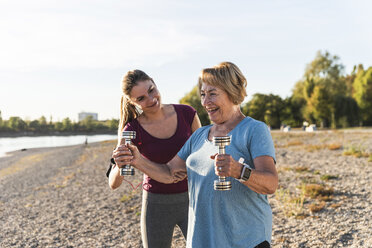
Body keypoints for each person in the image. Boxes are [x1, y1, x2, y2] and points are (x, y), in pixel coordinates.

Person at [114, 62, 278, 248]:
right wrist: (137, 160)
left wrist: (240, 171)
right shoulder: (200, 135)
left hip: (246, 240)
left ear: (232, 92)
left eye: (212, 94)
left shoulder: (254, 130)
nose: (205, 102)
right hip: (203, 241)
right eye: (203, 94)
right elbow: (169, 173)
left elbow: (271, 184)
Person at [107, 69, 201, 248]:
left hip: (194, 200)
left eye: (151, 90)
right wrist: (120, 165)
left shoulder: (187, 114)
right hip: (156, 205)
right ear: (132, 102)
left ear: (154, 82)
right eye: (141, 98)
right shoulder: (131, 130)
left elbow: (203, 155)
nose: (151, 99)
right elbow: (113, 183)